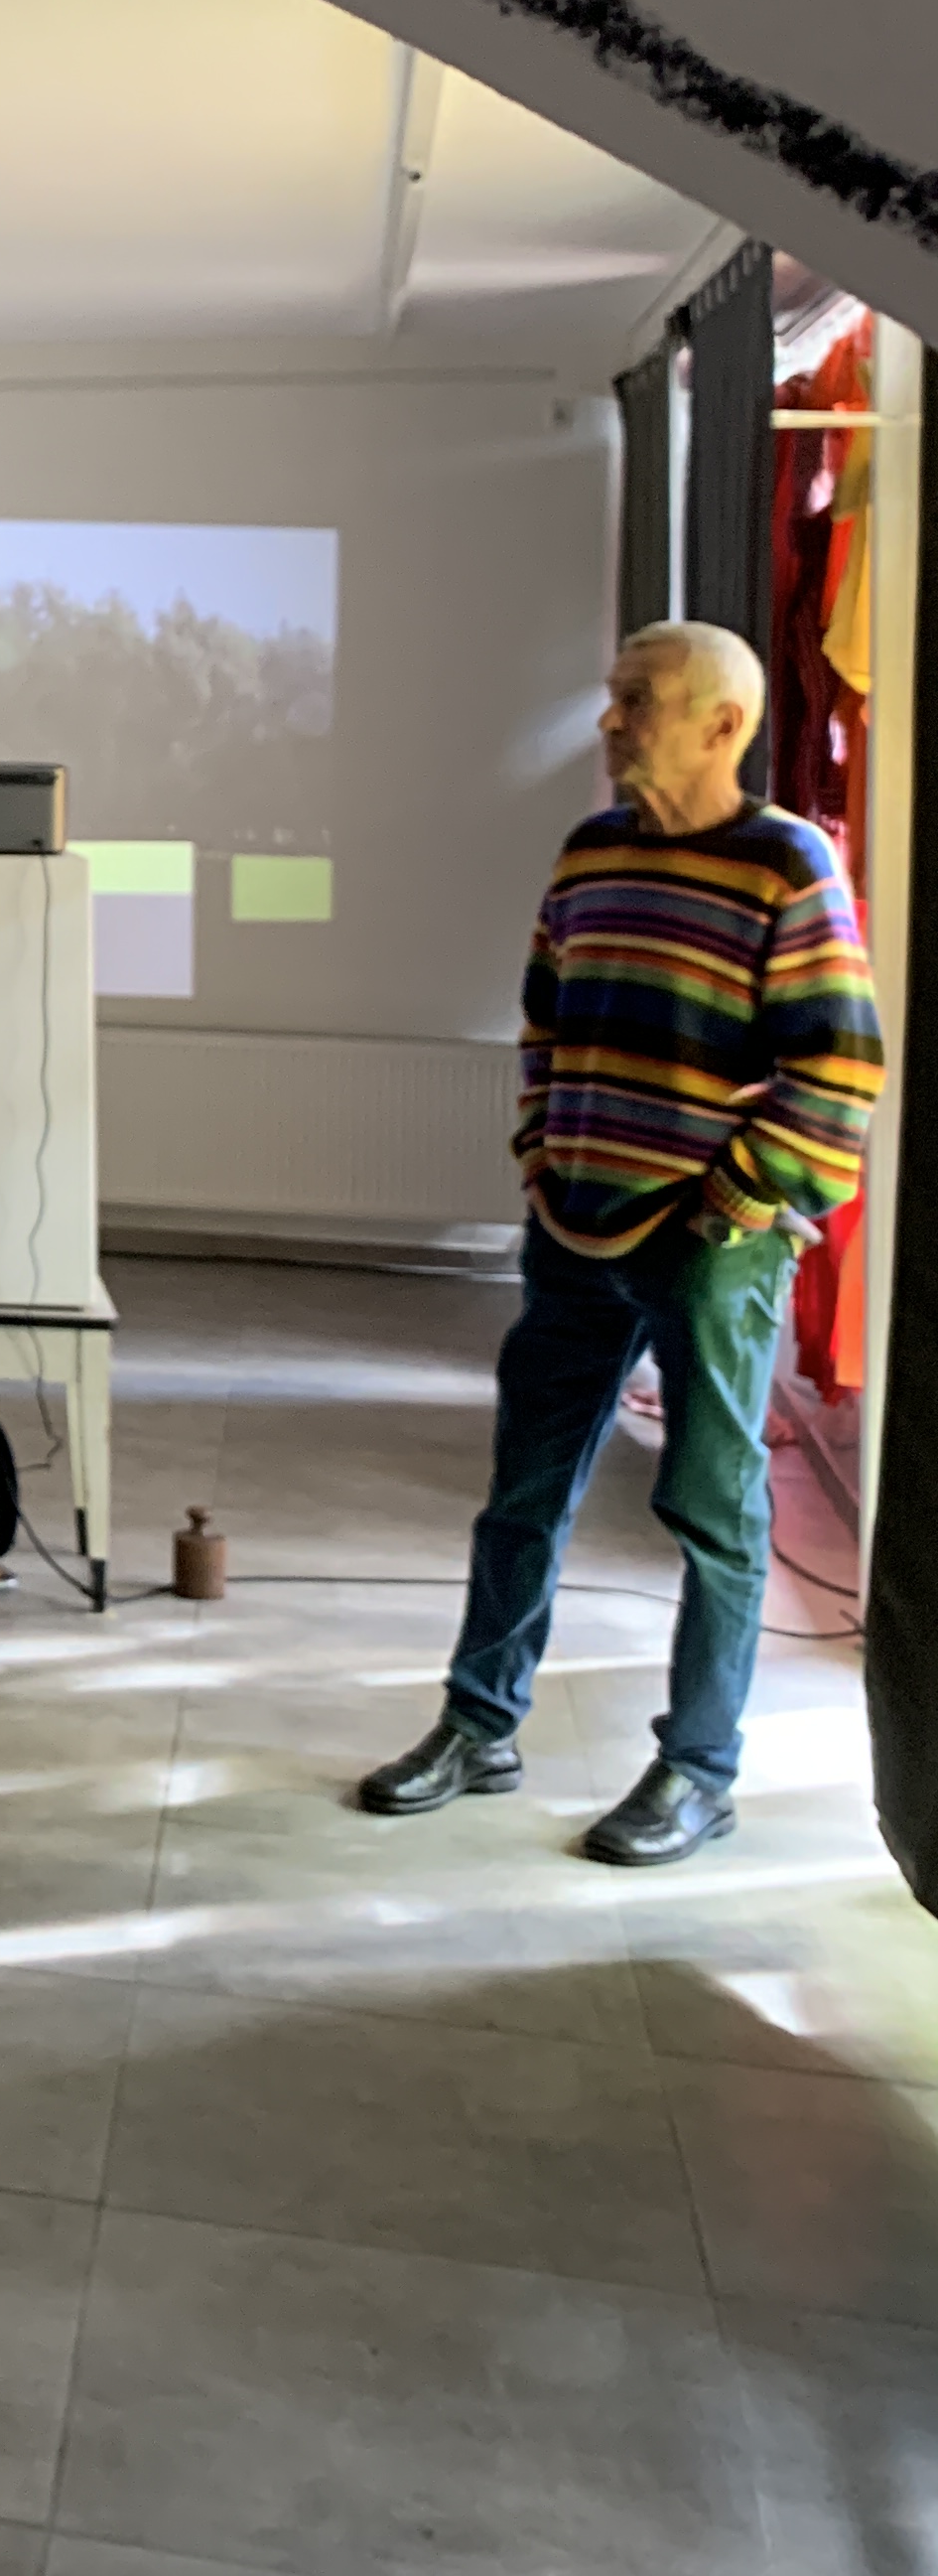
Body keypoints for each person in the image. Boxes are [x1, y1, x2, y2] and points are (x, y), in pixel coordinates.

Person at [360, 621, 882, 1865]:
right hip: (572, 1225)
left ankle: (698, 1771)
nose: (610, 721)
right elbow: (543, 1022)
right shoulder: (592, 850)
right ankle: (479, 1726)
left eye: (637, 699)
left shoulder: (787, 862)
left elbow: (839, 1067)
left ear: (724, 723)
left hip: (710, 1247)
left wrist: (736, 1199)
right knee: (522, 1495)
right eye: (613, 697)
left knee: (714, 1514)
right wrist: (540, 1151)